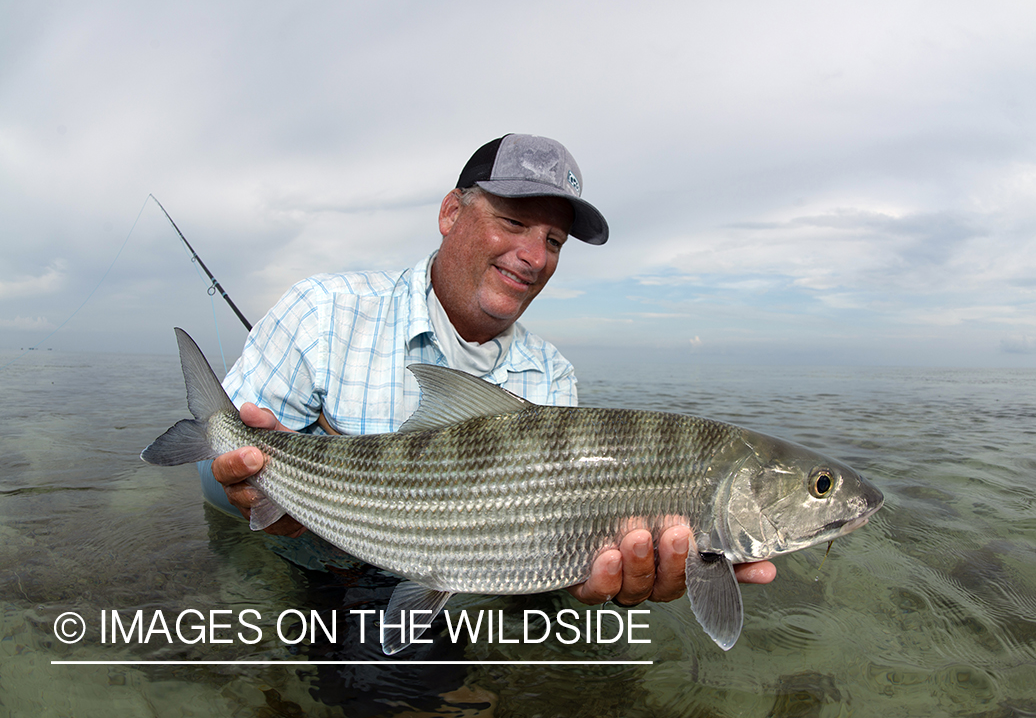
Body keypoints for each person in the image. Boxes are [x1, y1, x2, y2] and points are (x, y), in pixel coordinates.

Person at [207, 133, 776, 609]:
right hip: (309, 577)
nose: (534, 256)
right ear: (451, 213)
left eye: (552, 240)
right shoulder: (322, 312)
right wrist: (251, 480)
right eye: (513, 222)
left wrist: (599, 572)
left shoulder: (550, 377)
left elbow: (556, 548)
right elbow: (212, 474)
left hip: (466, 591)